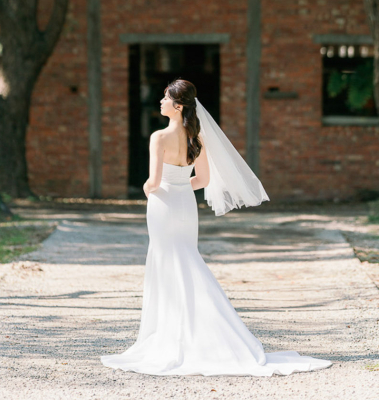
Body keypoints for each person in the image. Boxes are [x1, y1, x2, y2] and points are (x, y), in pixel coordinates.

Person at [101, 78, 332, 377]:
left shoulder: (158, 137)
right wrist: (182, 187)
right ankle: (210, 331)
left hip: (164, 206)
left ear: (178, 105)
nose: (160, 102)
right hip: (185, 206)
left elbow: (154, 182)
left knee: (165, 263)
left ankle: (171, 335)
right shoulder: (198, 138)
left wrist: (147, 189)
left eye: (165, 98)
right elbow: (203, 181)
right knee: (188, 259)